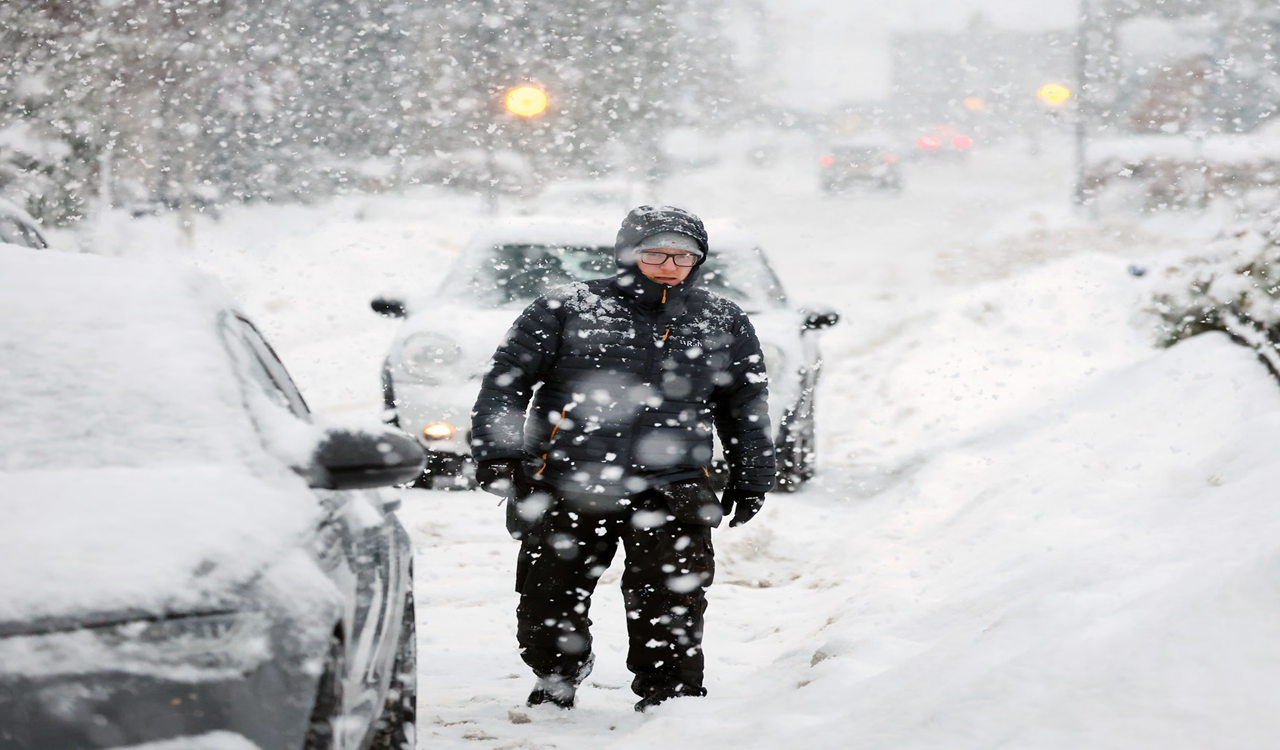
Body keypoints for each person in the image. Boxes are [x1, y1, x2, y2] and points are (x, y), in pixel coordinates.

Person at [470, 205, 775, 712]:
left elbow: (744, 405)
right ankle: (557, 674)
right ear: (627, 253)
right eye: (656, 253)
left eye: (684, 255)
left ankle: (670, 697)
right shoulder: (567, 307)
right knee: (549, 598)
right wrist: (499, 453)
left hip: (674, 485)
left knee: (672, 601)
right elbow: (506, 384)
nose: (670, 265)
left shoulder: (722, 319)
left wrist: (752, 476)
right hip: (567, 480)